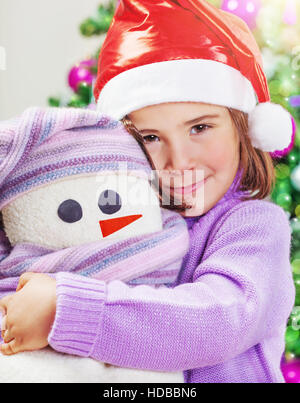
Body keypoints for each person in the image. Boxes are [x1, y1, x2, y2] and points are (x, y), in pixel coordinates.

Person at [0, 0, 296, 383]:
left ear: (243, 126)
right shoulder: (111, 213)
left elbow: (224, 318)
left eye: (200, 127)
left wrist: (66, 311)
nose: (179, 160)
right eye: (152, 137)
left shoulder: (253, 225)